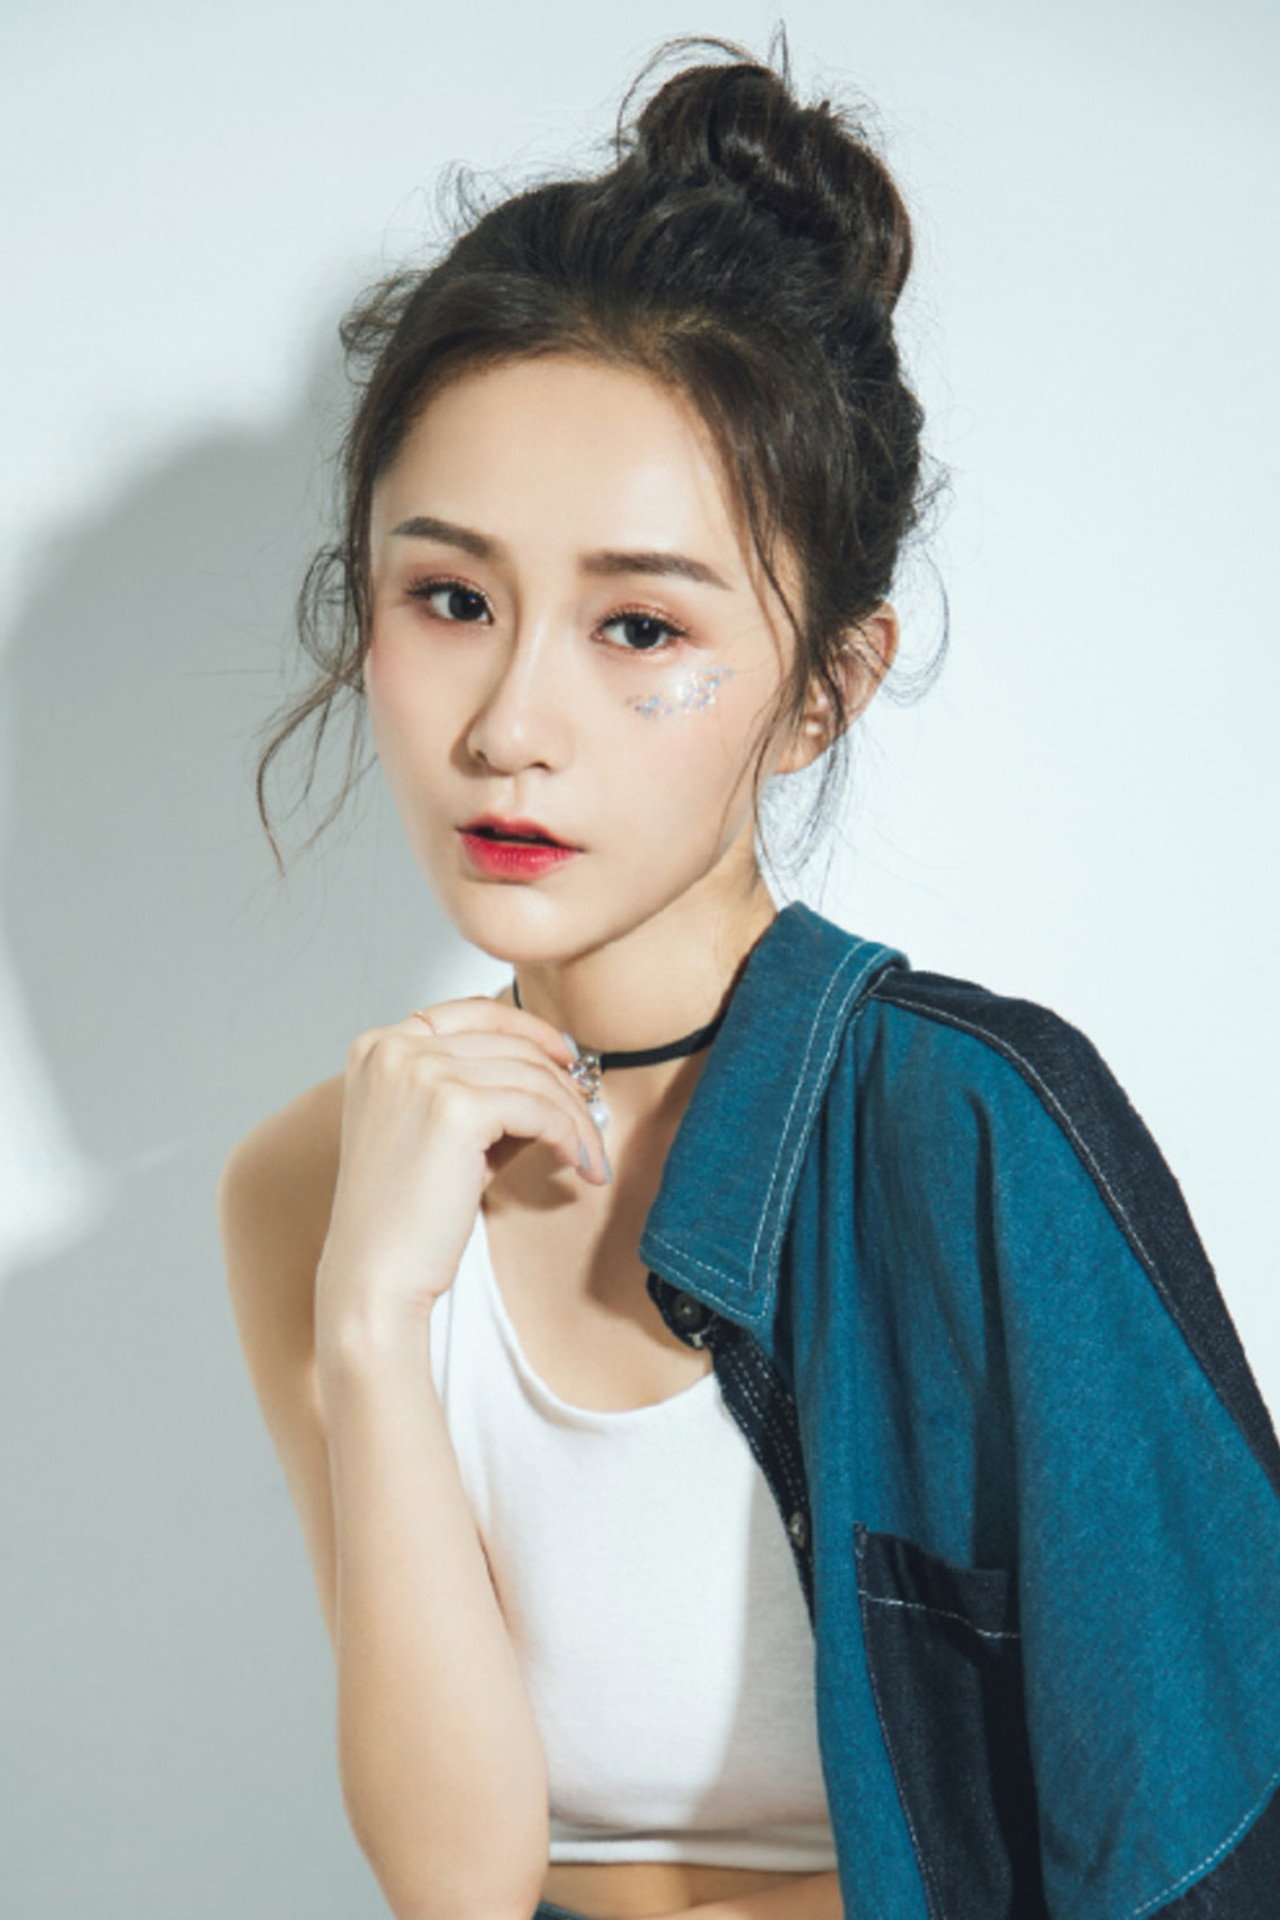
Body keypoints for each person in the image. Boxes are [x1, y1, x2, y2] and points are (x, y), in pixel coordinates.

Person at [216, 29, 1280, 1920]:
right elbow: (460, 1883)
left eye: (640, 627)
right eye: (450, 598)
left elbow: (1198, 1817)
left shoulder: (970, 1133)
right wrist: (372, 1322)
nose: (510, 724)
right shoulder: (314, 1184)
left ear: (821, 690)